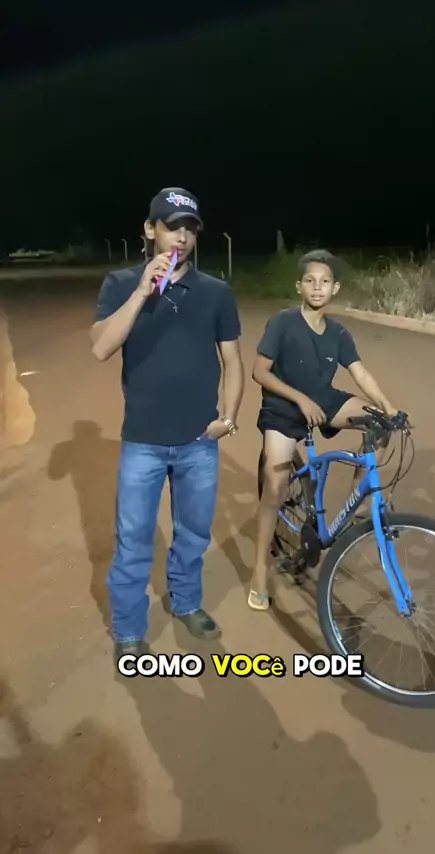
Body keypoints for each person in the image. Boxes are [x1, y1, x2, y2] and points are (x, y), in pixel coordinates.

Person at [90, 187, 245, 661]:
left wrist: (228, 417)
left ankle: (187, 603)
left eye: (190, 229)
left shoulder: (215, 292)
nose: (182, 237)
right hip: (143, 441)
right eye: (172, 227)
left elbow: (232, 361)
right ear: (150, 230)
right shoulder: (121, 283)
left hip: (199, 440)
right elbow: (101, 347)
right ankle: (129, 630)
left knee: (193, 534)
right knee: (133, 541)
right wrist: (142, 291)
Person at [249, 248, 401, 611]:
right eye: (310, 281)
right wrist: (300, 400)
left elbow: (359, 373)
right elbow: (260, 372)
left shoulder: (338, 333)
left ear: (335, 288)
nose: (317, 287)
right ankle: (258, 571)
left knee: (380, 424)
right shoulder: (283, 322)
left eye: (325, 281)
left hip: (325, 401)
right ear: (299, 286)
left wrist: (389, 407)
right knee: (274, 487)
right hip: (283, 409)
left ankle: (357, 504)